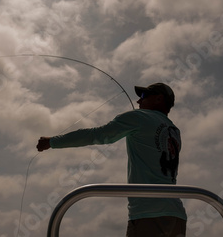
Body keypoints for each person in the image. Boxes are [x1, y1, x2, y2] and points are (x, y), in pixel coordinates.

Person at [36, 83, 187, 237]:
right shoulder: (174, 131)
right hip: (177, 216)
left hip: (148, 214)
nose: (138, 101)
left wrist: (52, 142)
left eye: (143, 96)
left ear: (159, 99)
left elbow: (97, 135)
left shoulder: (138, 117)